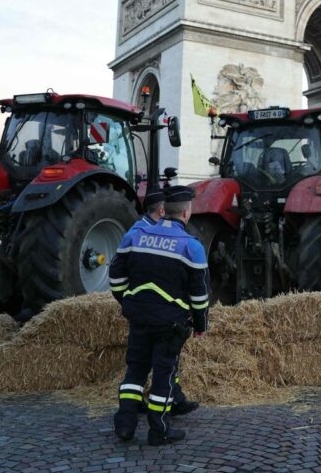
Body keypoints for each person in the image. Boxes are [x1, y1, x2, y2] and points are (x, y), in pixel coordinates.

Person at [109, 185, 209, 446]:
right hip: (170, 323)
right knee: (164, 375)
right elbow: (199, 296)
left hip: (139, 318)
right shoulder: (191, 246)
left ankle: (125, 426)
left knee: (136, 371)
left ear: (164, 211)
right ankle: (159, 431)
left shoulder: (136, 235)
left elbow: (116, 278)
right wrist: (201, 324)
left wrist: (129, 303)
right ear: (186, 214)